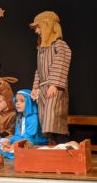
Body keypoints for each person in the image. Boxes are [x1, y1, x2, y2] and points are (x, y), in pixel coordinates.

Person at [29, 11, 72, 144]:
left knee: (54, 118)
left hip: (54, 87)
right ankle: (55, 149)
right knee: (45, 120)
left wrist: (54, 84)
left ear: (48, 26)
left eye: (38, 27)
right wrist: (35, 87)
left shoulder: (59, 45)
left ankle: (67, 147)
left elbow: (61, 62)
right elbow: (39, 69)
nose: (37, 31)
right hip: (43, 87)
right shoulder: (41, 49)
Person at [0, 89, 48, 159]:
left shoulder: (33, 117)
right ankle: (16, 154)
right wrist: (9, 141)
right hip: (20, 140)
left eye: (22, 101)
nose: (18, 103)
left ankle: (15, 154)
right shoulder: (20, 117)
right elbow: (17, 135)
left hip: (33, 141)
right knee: (0, 142)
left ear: (29, 102)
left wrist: (15, 144)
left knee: (27, 144)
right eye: (16, 101)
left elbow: (29, 136)